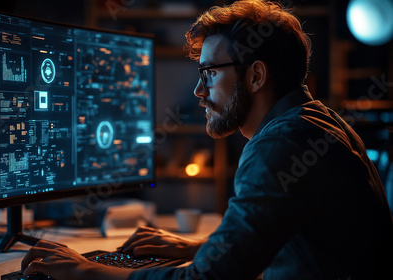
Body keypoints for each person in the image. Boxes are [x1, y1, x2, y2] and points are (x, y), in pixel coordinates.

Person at [21, 0, 393, 279]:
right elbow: (288, 236)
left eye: (210, 73)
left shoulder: (280, 145)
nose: (199, 90)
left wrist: (84, 271)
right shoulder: (320, 123)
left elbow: (207, 279)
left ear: (256, 76)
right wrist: (199, 246)